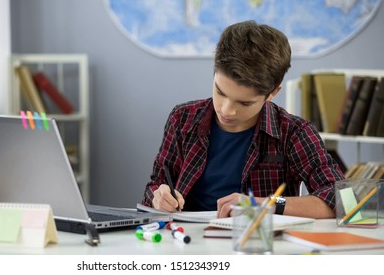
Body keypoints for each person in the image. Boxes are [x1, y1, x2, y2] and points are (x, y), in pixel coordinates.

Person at [141, 20, 345, 219]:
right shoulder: (182, 118)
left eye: (244, 103)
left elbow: (341, 200)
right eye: (220, 92)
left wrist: (263, 204)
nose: (227, 110)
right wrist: (159, 196)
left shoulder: (294, 132)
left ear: (273, 92)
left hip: (257, 245)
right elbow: (156, 184)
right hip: (185, 241)